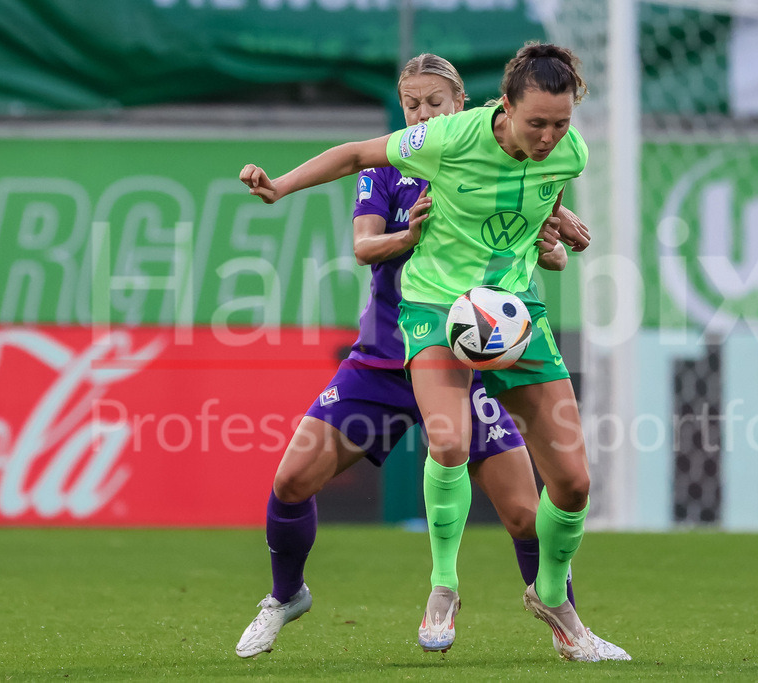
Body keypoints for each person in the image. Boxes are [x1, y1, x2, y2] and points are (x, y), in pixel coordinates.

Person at [235, 52, 628, 663]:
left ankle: (560, 613)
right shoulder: (407, 161)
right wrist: (298, 192)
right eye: (411, 104)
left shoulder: (549, 151)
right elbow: (364, 244)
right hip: (395, 348)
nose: (422, 114)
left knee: (536, 507)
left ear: (461, 101)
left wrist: (552, 235)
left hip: (481, 341)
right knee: (292, 479)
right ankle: (292, 596)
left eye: (433, 103)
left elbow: (530, 216)